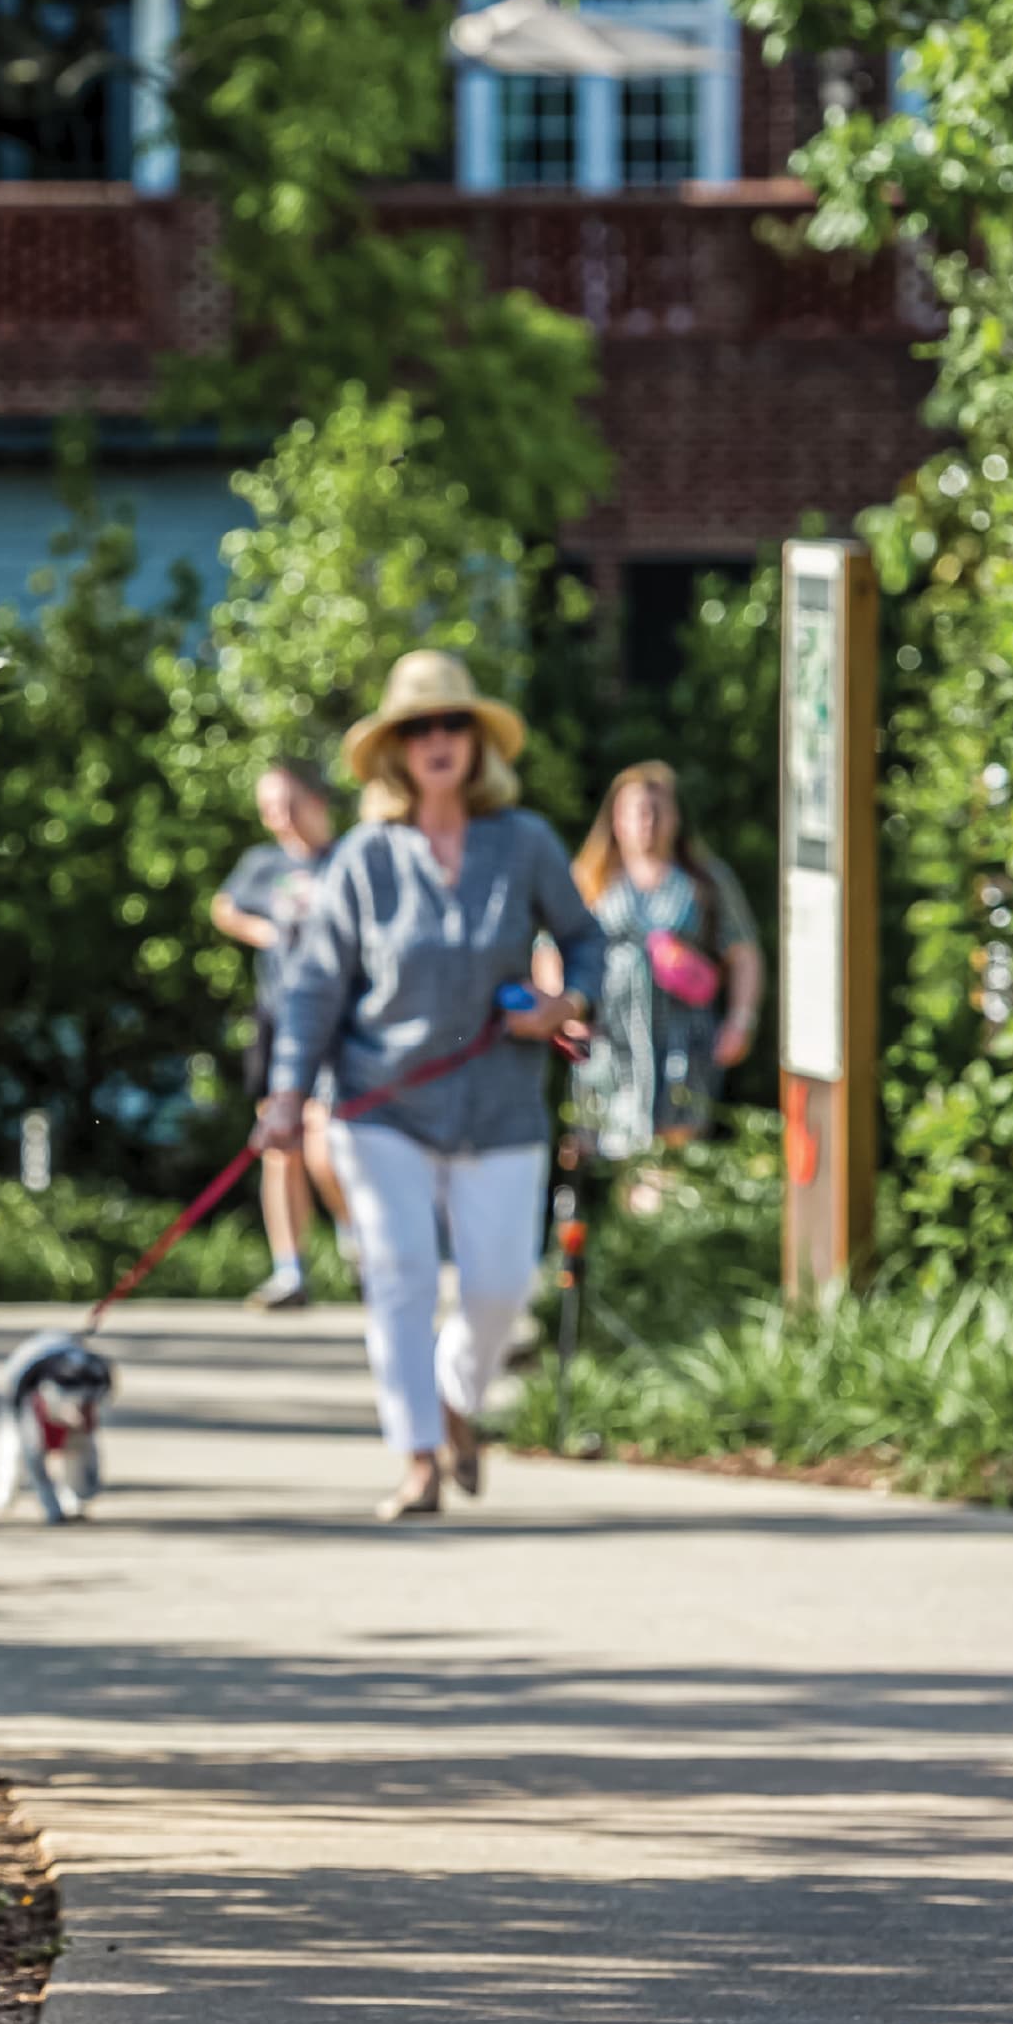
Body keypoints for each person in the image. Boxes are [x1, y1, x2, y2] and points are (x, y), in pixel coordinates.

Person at [256, 650, 601, 1519]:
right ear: (396, 752)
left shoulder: (524, 842)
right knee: (402, 1276)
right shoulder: (365, 859)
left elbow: (589, 941)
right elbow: (314, 988)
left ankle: (452, 1402)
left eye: (454, 725)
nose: (438, 741)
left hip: (501, 1100)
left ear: (478, 743)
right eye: (419, 729)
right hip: (384, 1105)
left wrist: (563, 1001)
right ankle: (416, 1459)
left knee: (498, 1287)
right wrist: (290, 1095)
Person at [563, 762, 764, 1205]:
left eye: (657, 811)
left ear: (675, 818)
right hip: (609, 1045)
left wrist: (741, 1020)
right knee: (605, 1159)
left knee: (673, 1163)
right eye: (636, 811)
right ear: (615, 820)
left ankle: (660, 1255)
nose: (646, 822)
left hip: (681, 1043)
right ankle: (616, 1254)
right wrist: (564, 1015)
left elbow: (744, 952)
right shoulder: (590, 879)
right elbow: (548, 946)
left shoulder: (704, 882)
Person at [210, 758, 350, 1309]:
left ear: (318, 801)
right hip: (278, 1015)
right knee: (279, 1141)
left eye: (288, 803)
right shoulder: (262, 863)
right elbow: (223, 907)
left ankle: (355, 1234)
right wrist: (264, 932)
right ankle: (289, 1269)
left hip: (343, 1019)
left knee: (326, 1143)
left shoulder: (350, 858)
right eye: (269, 807)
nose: (278, 817)